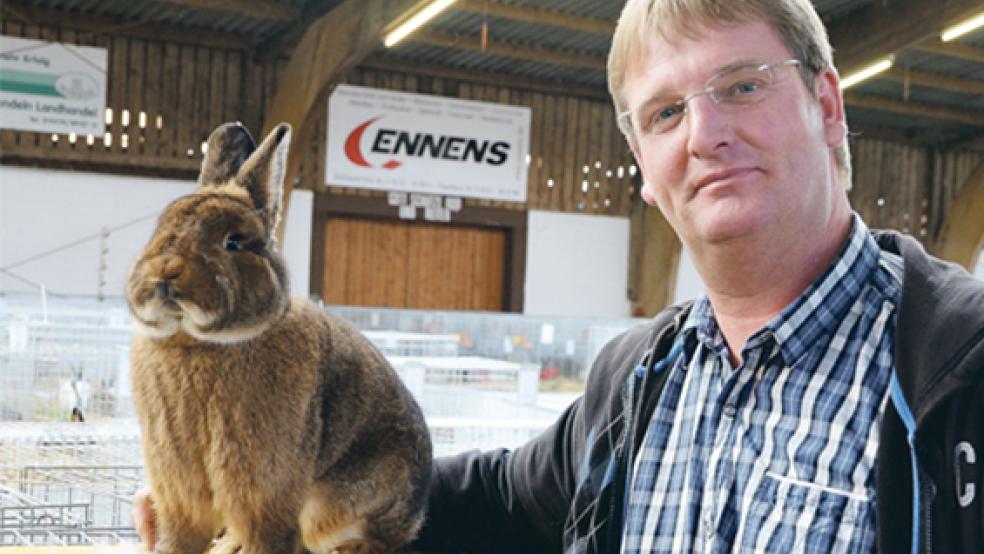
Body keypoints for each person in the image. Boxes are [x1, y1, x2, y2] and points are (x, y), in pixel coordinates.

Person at [134, 0, 984, 552]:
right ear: (645, 169)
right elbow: (500, 501)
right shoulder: (641, 381)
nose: (705, 134)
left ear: (828, 105)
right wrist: (307, 489)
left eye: (742, 86)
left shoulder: (957, 373)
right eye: (665, 112)